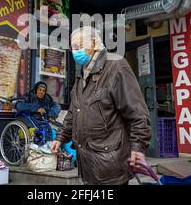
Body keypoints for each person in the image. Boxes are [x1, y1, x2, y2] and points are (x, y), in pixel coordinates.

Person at [51, 26, 151, 185]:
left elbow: (137, 112)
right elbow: (74, 111)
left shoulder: (116, 66)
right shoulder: (83, 72)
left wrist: (138, 147)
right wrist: (61, 136)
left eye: (78, 46)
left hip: (110, 165)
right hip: (87, 166)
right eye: (72, 47)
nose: (74, 51)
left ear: (93, 43)